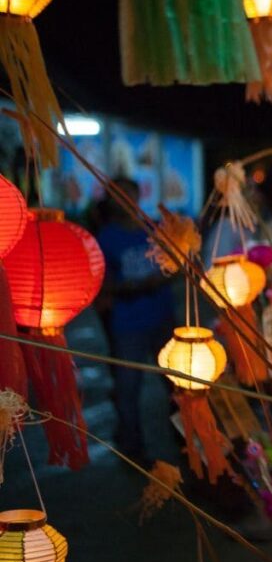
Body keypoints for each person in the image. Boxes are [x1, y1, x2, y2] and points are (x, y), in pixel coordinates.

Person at [95, 179, 176, 463]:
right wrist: (125, 289)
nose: (124, 200)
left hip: (162, 317)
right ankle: (132, 448)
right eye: (117, 195)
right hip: (128, 324)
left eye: (127, 193)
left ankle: (187, 439)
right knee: (128, 388)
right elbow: (101, 284)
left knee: (178, 383)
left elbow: (175, 264)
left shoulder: (155, 229)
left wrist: (164, 275)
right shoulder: (106, 237)